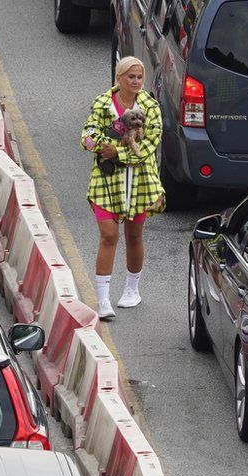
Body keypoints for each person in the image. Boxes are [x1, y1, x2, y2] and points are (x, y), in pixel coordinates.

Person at [81, 56, 164, 320]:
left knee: (134, 235)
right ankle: (103, 300)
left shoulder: (150, 107)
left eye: (140, 77)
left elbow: (149, 146)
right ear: (119, 78)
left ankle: (132, 290)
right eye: (131, 77)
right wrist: (96, 145)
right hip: (107, 181)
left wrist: (116, 152)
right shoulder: (103, 103)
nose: (136, 81)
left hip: (140, 181)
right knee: (108, 235)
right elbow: (88, 135)